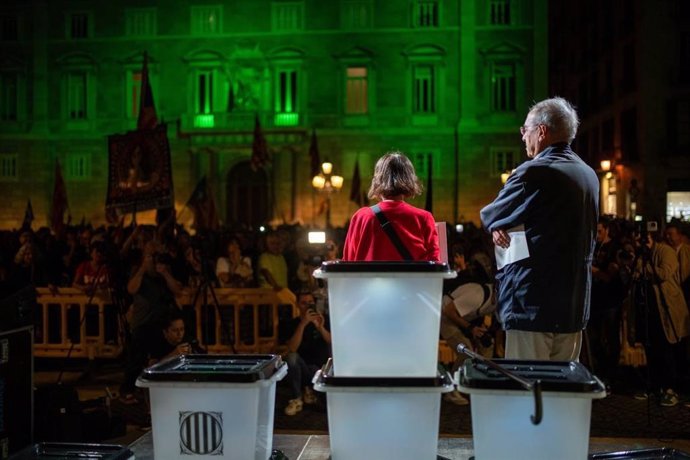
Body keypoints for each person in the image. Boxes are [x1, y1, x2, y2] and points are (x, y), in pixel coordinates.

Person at [480, 97, 599, 361]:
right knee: (562, 393)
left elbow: (490, 215)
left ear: (541, 131)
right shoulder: (589, 175)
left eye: (525, 130)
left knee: (527, 393)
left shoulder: (533, 173)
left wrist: (497, 225)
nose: (523, 137)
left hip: (531, 305)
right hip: (573, 307)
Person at [120, 240, 185, 404]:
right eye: (150, 255)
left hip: (161, 325)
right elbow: (131, 289)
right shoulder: (138, 271)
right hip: (143, 324)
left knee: (165, 356)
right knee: (136, 357)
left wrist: (165, 273)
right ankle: (127, 389)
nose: (154, 259)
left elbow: (177, 290)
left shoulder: (163, 273)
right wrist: (143, 268)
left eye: (155, 255)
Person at [342, 151, 439, 261]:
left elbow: (348, 261)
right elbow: (434, 264)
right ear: (409, 179)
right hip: (410, 279)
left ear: (377, 180)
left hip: (368, 279)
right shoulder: (423, 218)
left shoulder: (361, 217)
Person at [632, 232, 690, 406]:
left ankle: (670, 388)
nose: (638, 242)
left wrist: (645, 265)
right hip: (648, 311)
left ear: (651, 238)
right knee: (652, 350)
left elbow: (665, 273)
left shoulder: (665, 251)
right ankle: (655, 386)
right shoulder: (641, 255)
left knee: (668, 351)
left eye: (642, 239)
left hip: (666, 310)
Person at [279, 291, 331, 416]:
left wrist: (320, 328)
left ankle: (309, 390)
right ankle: (297, 398)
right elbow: (292, 348)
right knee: (291, 357)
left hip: (318, 370)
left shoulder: (324, 320)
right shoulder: (291, 324)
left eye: (310, 303)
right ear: (297, 305)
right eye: (303, 303)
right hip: (299, 369)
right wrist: (303, 324)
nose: (307, 306)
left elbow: (332, 342)